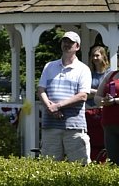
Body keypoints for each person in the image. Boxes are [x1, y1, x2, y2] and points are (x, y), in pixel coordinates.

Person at [37, 32, 91, 164]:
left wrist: (58, 106)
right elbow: (41, 90)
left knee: (80, 167)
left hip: (74, 126)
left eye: (70, 42)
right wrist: (50, 108)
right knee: (48, 166)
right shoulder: (49, 66)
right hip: (50, 125)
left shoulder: (83, 69)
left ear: (77, 46)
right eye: (64, 41)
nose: (66, 44)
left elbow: (83, 95)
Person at [86, 44, 110, 162]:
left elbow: (109, 91)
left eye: (97, 55)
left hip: (103, 110)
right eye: (93, 56)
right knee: (92, 140)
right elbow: (84, 91)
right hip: (89, 110)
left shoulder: (108, 73)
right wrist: (99, 92)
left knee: (103, 140)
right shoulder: (89, 73)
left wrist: (93, 92)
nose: (95, 58)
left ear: (103, 56)